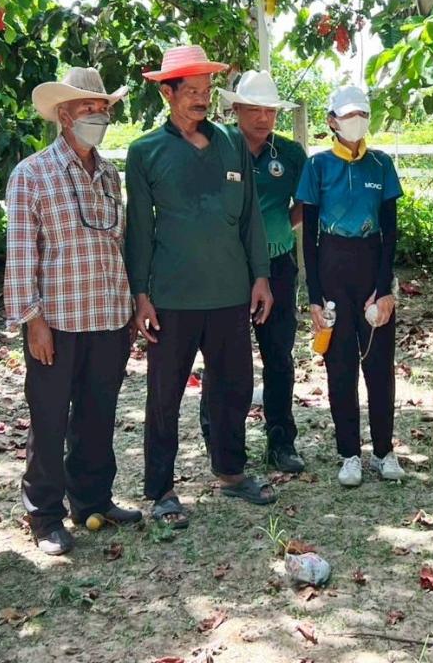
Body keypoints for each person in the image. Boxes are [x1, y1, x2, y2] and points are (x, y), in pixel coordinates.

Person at [125, 46, 277, 529]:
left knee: (233, 386)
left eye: (206, 90)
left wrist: (260, 276)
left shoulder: (232, 144)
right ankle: (161, 488)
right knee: (164, 394)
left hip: (231, 291)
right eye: (190, 90)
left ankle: (231, 471)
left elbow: (251, 217)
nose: (200, 99)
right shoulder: (146, 151)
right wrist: (141, 294)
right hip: (172, 296)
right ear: (167, 94)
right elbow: (139, 230)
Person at [4, 67, 143, 556]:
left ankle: (92, 500)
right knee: (48, 420)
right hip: (58, 321)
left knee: (97, 415)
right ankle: (44, 514)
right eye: (88, 108)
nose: (98, 116)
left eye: (102, 108)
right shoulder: (32, 174)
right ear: (64, 115)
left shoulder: (108, 174)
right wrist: (33, 321)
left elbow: (117, 244)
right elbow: (22, 254)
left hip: (108, 314)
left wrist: (129, 308)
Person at [199, 70, 308, 473]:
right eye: (254, 110)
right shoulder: (215, 146)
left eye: (270, 111)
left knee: (278, 353)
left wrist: (277, 228)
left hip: (277, 264)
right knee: (223, 356)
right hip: (226, 267)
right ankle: (220, 441)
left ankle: (281, 442)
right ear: (237, 109)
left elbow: (305, 202)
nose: (263, 118)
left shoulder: (290, 154)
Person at [296, 86, 405, 488]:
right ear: (332, 121)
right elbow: (309, 236)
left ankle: (383, 451)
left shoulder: (381, 164)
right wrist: (314, 295)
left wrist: (384, 287)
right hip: (332, 268)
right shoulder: (318, 166)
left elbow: (390, 231)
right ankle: (349, 454)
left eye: (362, 114)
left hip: (371, 266)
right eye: (347, 115)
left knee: (379, 366)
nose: (355, 121)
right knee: (339, 366)